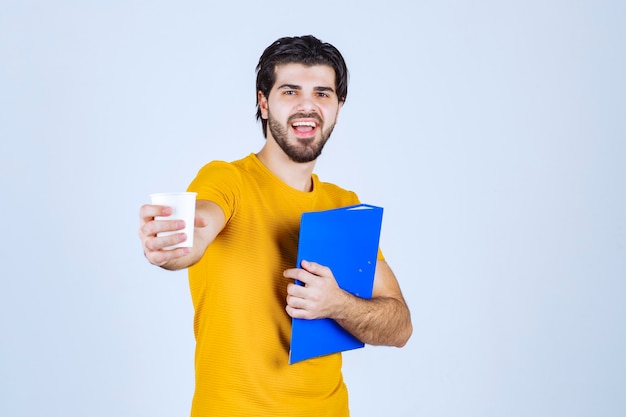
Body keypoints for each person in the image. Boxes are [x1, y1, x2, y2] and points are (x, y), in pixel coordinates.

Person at [138, 35, 412, 417]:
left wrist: (338, 305)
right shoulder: (227, 180)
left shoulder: (344, 205)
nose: (307, 105)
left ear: (337, 107)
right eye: (290, 91)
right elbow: (199, 229)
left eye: (322, 93)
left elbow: (399, 326)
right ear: (263, 103)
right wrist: (172, 245)